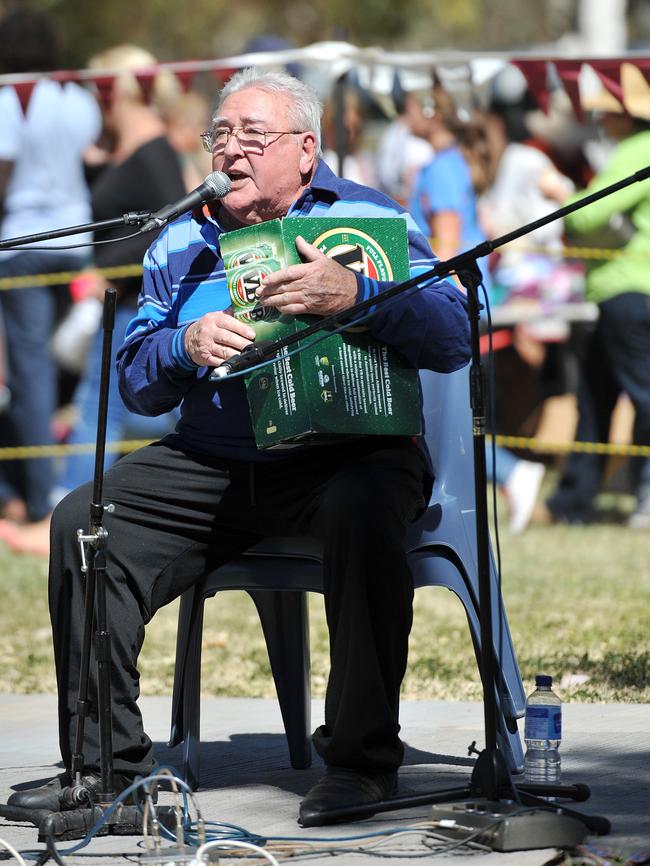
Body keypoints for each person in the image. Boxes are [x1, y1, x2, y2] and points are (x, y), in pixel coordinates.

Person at [7, 67, 470, 826]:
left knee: (362, 504)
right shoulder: (183, 238)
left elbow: (454, 335)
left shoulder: (368, 214)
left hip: (347, 454)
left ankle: (360, 764)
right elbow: (137, 381)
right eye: (219, 135)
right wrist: (185, 344)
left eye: (254, 136)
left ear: (306, 152)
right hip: (217, 461)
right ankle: (109, 772)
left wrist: (355, 297)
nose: (231, 151)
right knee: (84, 521)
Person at [0, 44, 186, 557]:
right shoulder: (121, 148)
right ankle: (66, 512)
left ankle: (63, 517)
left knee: (95, 413)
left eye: (98, 87)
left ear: (118, 89)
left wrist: (103, 266)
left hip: (132, 303)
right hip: (114, 303)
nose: (89, 98)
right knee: (96, 409)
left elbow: (167, 225)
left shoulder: (153, 151)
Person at [409, 83, 545, 532]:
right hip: (456, 301)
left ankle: (512, 473)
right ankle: (509, 475)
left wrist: (433, 303)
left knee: (438, 415)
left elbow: (447, 245)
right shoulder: (449, 165)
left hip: (448, 302)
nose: (402, 114)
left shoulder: (442, 169)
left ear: (429, 111)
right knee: (440, 414)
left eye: (408, 105)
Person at [0, 8, 102, 524]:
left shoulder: (7, 100)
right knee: (81, 372)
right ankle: (79, 490)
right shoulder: (78, 99)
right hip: (79, 241)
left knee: (33, 375)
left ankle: (44, 500)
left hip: (22, 245)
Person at [540, 63, 650, 528]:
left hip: (629, 290)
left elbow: (587, 215)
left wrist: (562, 192)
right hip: (620, 292)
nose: (600, 120)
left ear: (630, 115)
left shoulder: (636, 150)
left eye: (608, 113)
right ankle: (573, 503)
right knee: (595, 396)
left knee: (643, 397)